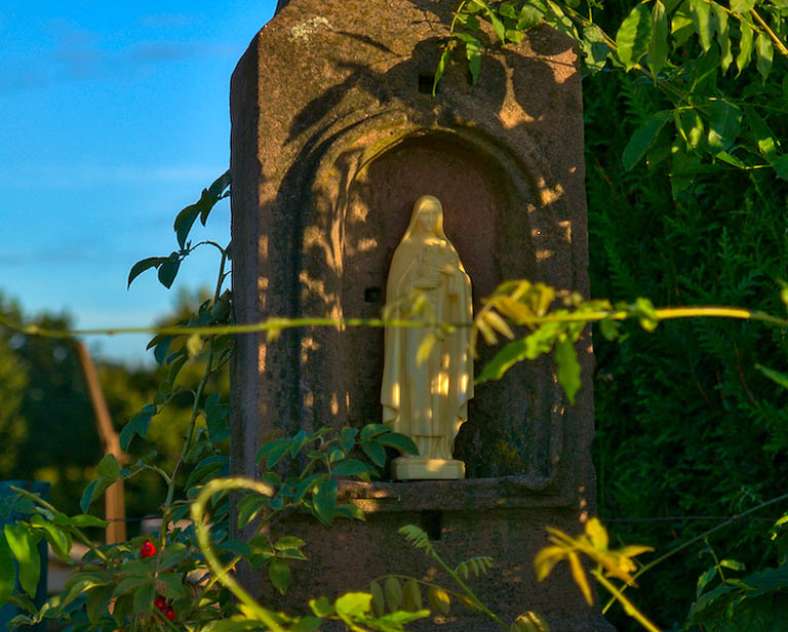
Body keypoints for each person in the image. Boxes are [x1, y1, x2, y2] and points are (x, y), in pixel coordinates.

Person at [381, 195, 473, 475]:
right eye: (425, 214)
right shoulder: (406, 251)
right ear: (416, 217)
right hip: (415, 331)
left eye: (434, 214)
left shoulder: (447, 249)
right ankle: (412, 448)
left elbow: (464, 288)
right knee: (416, 381)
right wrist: (420, 283)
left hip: (443, 331)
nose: (429, 220)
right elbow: (396, 296)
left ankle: (441, 449)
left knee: (442, 383)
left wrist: (454, 278)